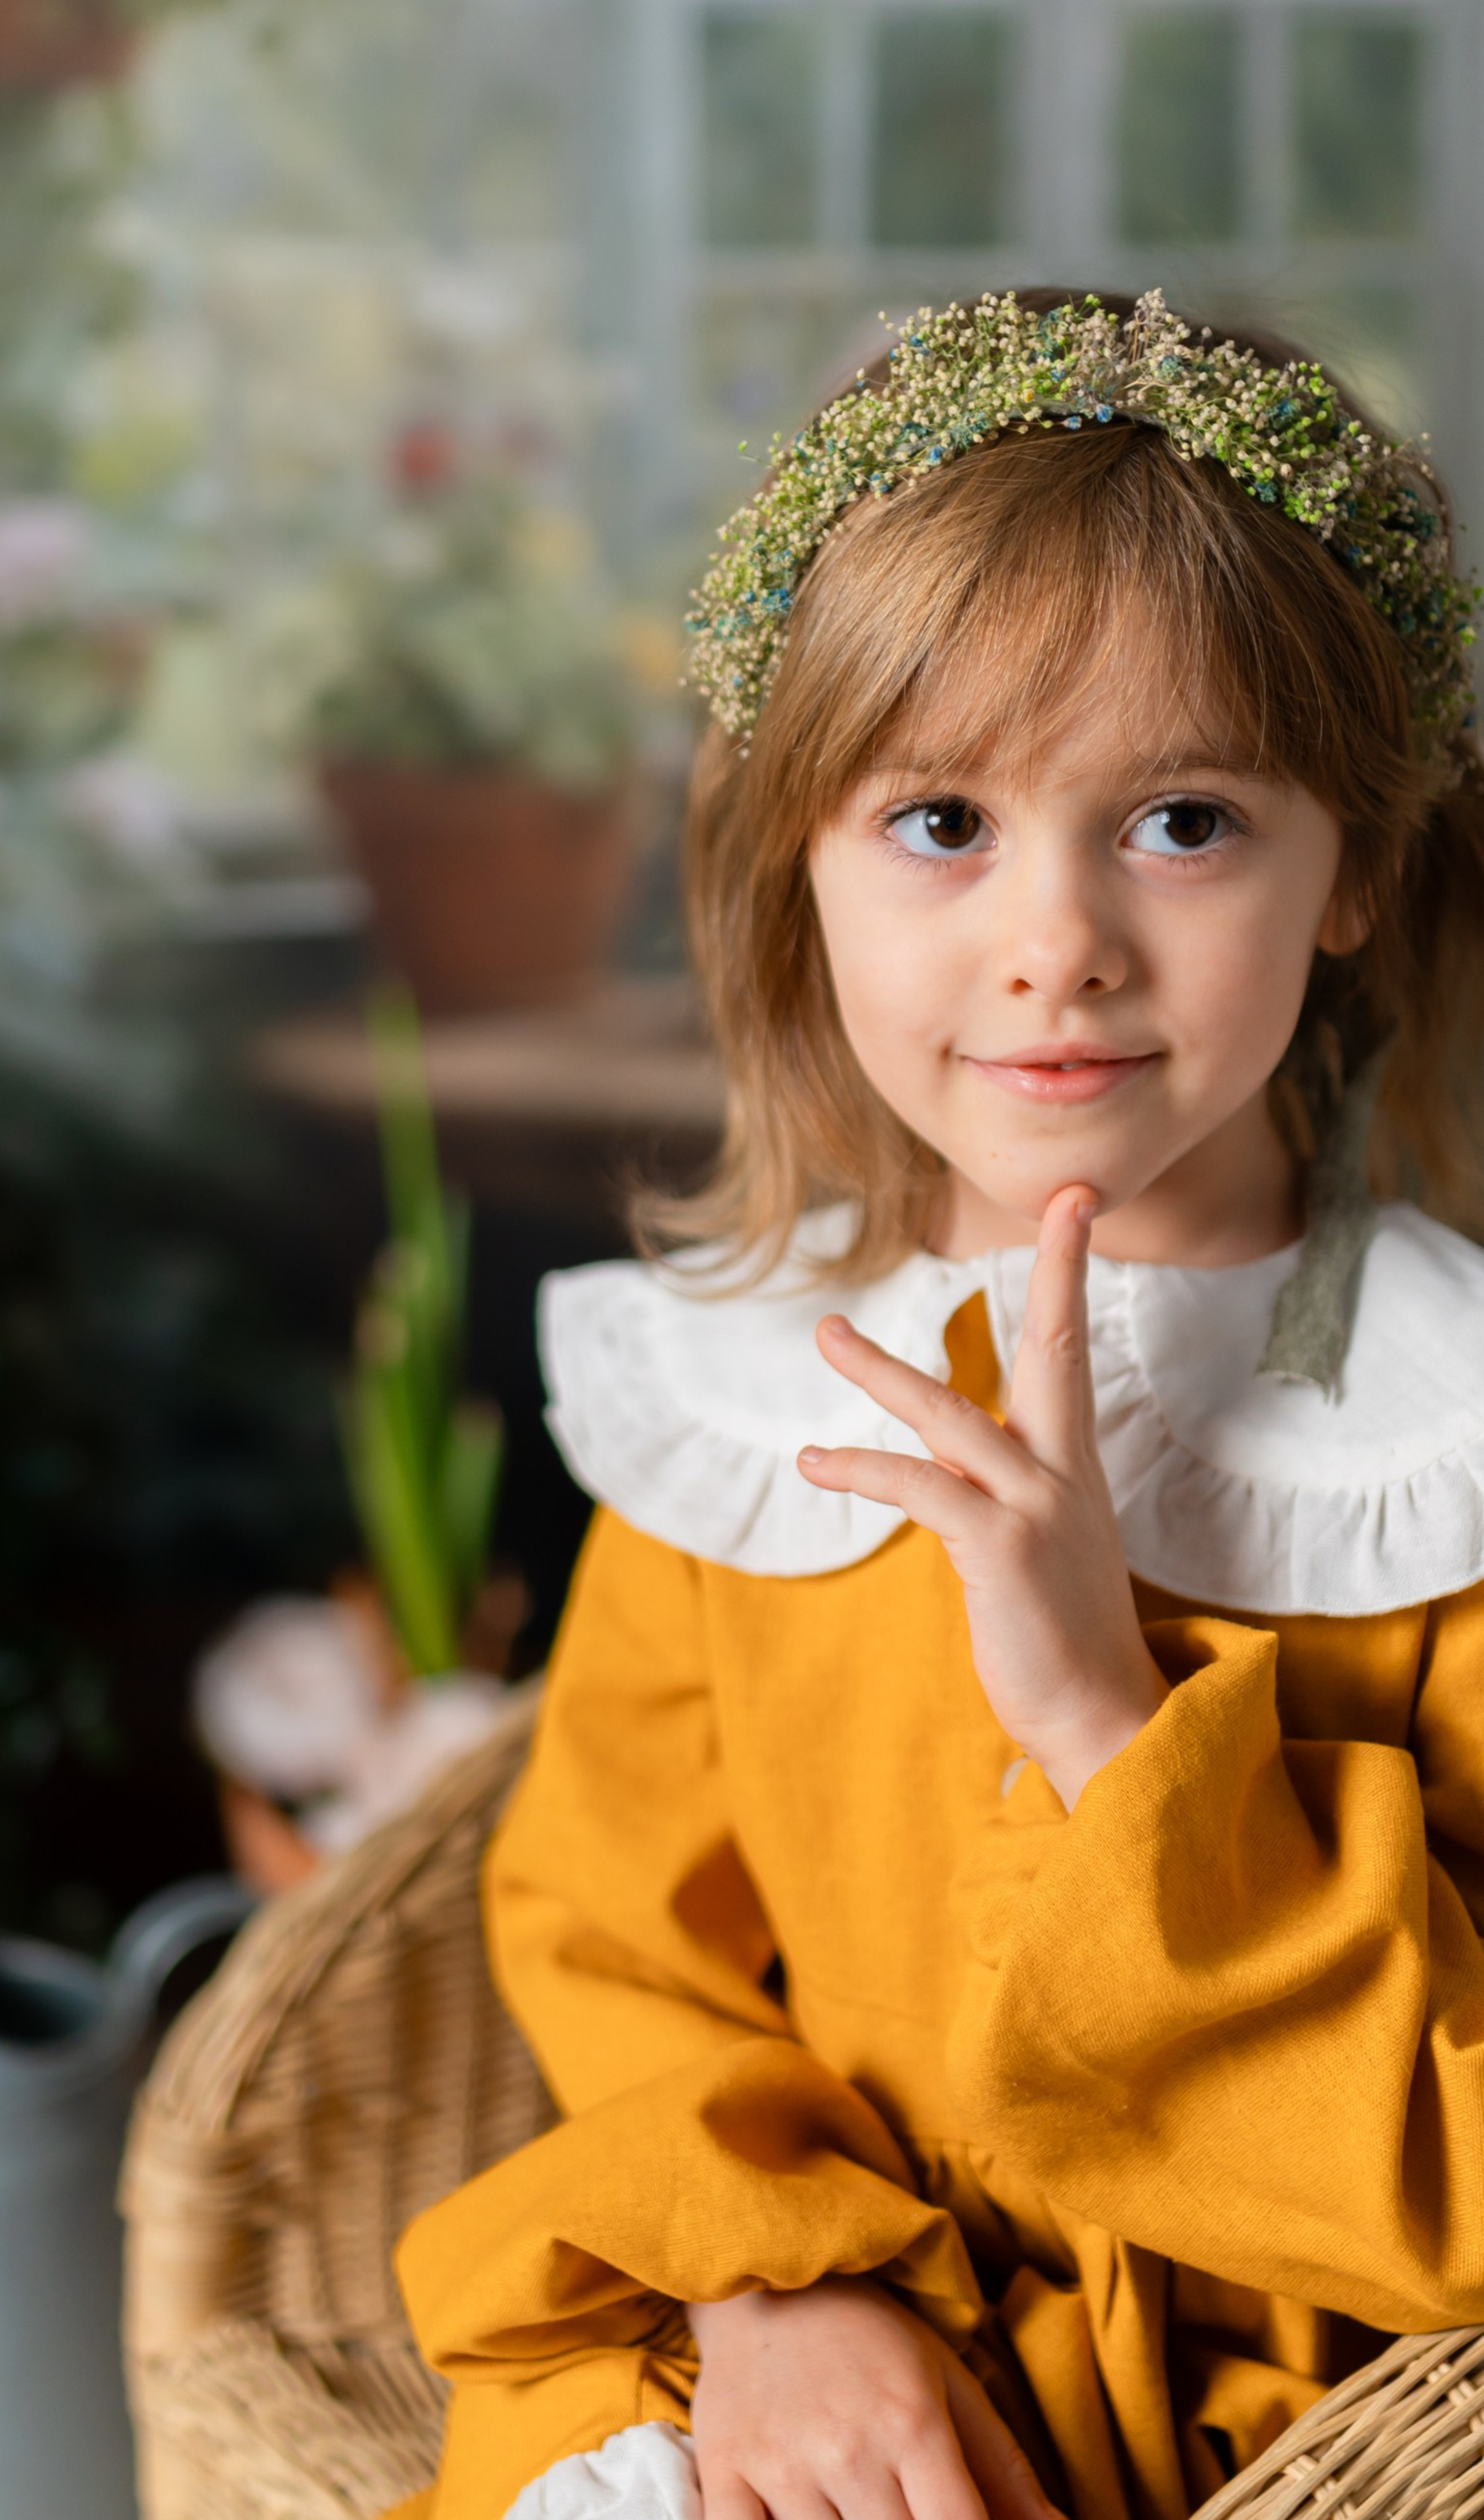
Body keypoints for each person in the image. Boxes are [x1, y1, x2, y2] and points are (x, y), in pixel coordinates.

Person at [394, 289, 1484, 2520]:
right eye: (941, 822)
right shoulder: (735, 1393)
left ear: (1352, 866)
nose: (1056, 940)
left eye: (1184, 820)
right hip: (771, 2358)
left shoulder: (1444, 1449)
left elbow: (1448, 2203)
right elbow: (614, 1946)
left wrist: (1110, 1727)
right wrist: (777, 2296)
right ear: (800, 866)